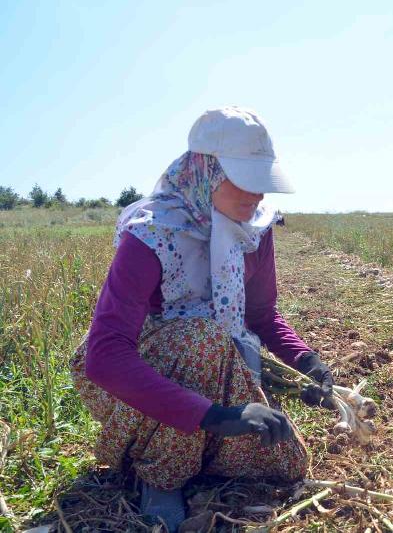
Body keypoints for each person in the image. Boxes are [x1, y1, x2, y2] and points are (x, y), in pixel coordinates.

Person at [71, 106, 333, 531]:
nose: (258, 196)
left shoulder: (255, 230)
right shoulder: (153, 234)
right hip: (144, 364)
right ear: (206, 171)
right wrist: (218, 417)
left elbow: (261, 315)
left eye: (261, 182)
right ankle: (161, 474)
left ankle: (200, 443)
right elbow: (105, 355)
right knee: (203, 338)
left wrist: (306, 360)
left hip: (216, 352)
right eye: (245, 181)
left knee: (287, 462)